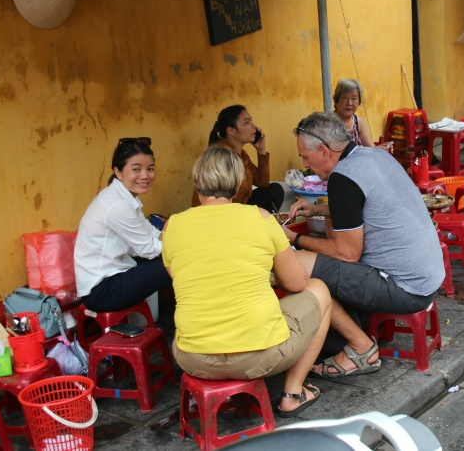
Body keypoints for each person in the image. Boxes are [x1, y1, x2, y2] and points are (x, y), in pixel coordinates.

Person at [163, 144, 332, 418]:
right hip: (258, 357)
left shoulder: (173, 225)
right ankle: (292, 393)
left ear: (197, 183)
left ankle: (224, 391)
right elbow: (297, 284)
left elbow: (181, 278)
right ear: (238, 183)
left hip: (193, 358)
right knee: (319, 289)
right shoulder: (261, 218)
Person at [284, 112, 444, 377]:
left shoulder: (342, 178)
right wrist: (317, 211)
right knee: (319, 256)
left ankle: (360, 347)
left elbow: (347, 254)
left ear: (324, 152)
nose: (304, 164)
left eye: (305, 157)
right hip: (428, 277)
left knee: (297, 266)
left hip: (406, 288)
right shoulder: (375, 155)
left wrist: (295, 239)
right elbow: (369, 207)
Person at [74, 137, 171, 312]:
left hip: (117, 273)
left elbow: (153, 233)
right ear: (118, 172)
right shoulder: (117, 205)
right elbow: (150, 249)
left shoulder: (124, 198)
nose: (145, 176)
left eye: (150, 169)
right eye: (136, 169)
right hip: (101, 291)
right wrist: (187, 248)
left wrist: (178, 233)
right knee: (175, 261)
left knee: (174, 257)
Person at [195, 105, 284, 211]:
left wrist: (261, 150)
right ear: (231, 130)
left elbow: (263, 183)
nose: (254, 127)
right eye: (247, 122)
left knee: (275, 190)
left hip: (240, 206)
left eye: (251, 121)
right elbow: (220, 200)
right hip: (223, 211)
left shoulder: (241, 154)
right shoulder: (222, 155)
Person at [332, 79, 393, 153]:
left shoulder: (358, 122)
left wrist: (383, 148)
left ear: (359, 102)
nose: (349, 103)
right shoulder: (329, 123)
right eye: (345, 98)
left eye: (354, 98)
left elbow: (371, 149)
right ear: (337, 101)